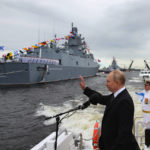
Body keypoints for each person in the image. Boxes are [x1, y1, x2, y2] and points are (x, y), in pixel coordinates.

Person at [80, 70, 140, 150]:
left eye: (108, 81)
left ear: (117, 82)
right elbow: (100, 98)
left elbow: (124, 134)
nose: (106, 84)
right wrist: (85, 89)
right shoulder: (115, 96)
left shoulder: (125, 101)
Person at [140, 81, 150, 149]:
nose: (145, 86)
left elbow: (146, 102)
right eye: (145, 85)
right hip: (145, 114)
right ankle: (147, 144)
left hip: (149, 114)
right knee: (147, 129)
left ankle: (147, 144)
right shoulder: (143, 92)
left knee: (148, 129)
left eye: (146, 85)